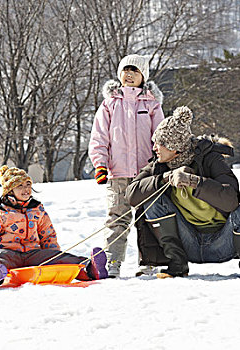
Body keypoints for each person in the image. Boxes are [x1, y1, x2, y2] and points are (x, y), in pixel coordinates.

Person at [125, 106, 240, 278]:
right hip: (187, 244)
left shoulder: (210, 159)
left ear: (175, 147)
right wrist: (165, 178)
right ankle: (177, 264)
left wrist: (194, 182)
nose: (154, 148)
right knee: (150, 200)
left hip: (222, 243)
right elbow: (131, 194)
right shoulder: (158, 165)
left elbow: (231, 199)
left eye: (159, 143)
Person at [88, 54, 164, 277]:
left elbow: (159, 137)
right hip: (117, 173)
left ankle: (149, 262)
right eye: (126, 70)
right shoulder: (109, 104)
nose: (129, 75)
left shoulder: (151, 104)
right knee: (117, 218)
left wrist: (160, 165)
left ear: (143, 77)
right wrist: (100, 164)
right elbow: (99, 137)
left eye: (135, 71)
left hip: (145, 174)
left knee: (148, 217)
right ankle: (112, 262)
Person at [0, 165, 108, 289]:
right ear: (9, 190)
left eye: (28, 185)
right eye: (20, 186)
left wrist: (54, 258)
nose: (26, 189)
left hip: (33, 253)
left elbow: (48, 235)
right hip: (8, 253)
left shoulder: (37, 209)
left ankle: (90, 269)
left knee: (62, 258)